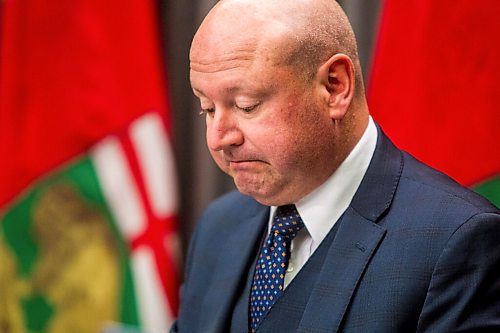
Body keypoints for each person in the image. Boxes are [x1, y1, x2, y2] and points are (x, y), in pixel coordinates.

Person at [173, 0, 500, 332]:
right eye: (208, 108)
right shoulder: (219, 226)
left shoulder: (456, 241)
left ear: (334, 86)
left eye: (247, 105)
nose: (218, 138)